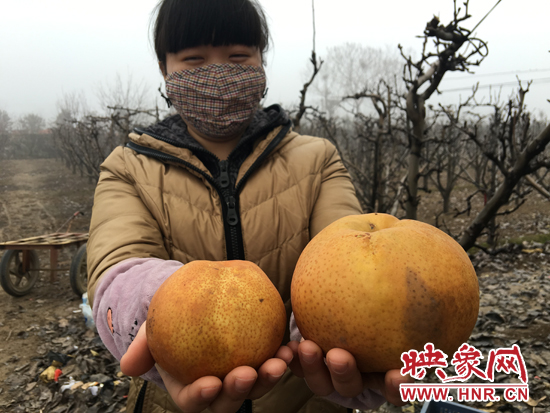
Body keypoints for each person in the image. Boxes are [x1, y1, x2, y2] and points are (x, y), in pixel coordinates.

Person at [87, 0, 411, 412]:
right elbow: (118, 268)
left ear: (261, 62)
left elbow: (346, 257)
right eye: (194, 58)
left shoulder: (317, 160)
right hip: (174, 392)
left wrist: (342, 344)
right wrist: (166, 315)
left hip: (303, 394)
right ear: (164, 70)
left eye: (238, 56)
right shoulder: (128, 167)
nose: (218, 73)